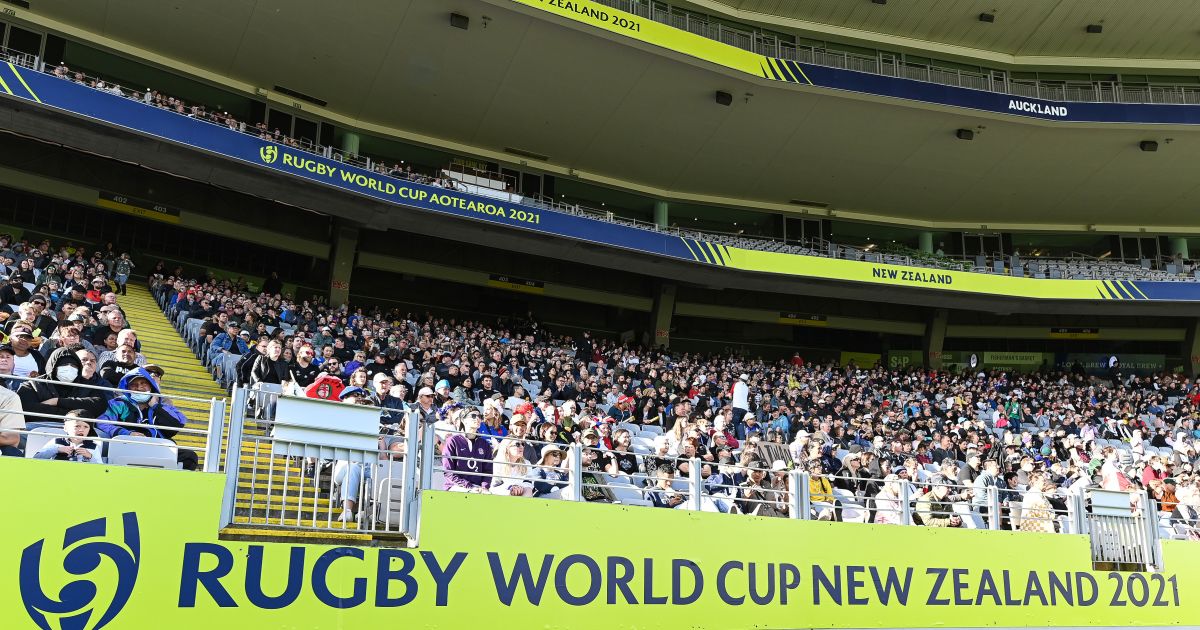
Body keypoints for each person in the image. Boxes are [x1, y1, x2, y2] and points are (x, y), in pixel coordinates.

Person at [97, 368, 197, 470]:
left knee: (189, 457)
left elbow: (176, 425)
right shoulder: (118, 403)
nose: (139, 388)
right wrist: (127, 434)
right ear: (127, 388)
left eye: (143, 383)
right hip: (126, 447)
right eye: (134, 385)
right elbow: (102, 423)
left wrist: (155, 406)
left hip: (156, 449)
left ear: (151, 386)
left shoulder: (162, 405)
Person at [17, 347, 108, 421]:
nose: (69, 369)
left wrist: (57, 401)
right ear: (53, 367)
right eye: (64, 365)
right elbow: (28, 409)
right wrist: (73, 413)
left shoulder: (86, 385)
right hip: (38, 427)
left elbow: (99, 405)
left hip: (78, 431)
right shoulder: (34, 385)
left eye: (73, 366)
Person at [441, 407, 494, 492]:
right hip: (456, 486)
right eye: (473, 416)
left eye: (479, 416)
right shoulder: (452, 441)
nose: (477, 418)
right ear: (463, 420)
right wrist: (469, 486)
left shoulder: (485, 444)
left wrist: (484, 487)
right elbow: (448, 471)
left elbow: (488, 471)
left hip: (478, 488)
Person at [33, 410, 103, 463]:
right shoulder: (57, 441)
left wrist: (90, 456)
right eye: (77, 426)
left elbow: (101, 468)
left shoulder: (93, 446)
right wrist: (57, 450)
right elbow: (36, 458)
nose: (81, 430)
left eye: (86, 427)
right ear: (66, 428)